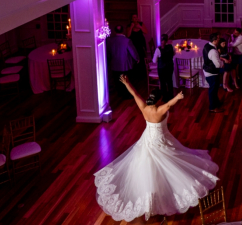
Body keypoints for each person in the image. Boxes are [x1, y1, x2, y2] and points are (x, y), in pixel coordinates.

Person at [94, 76, 219, 222]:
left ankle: (151, 200)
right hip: (161, 141)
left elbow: (135, 94)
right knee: (170, 165)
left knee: (147, 169)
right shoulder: (160, 109)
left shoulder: (144, 107)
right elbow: (170, 105)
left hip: (147, 140)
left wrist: (127, 83)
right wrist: (178, 97)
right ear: (159, 100)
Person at [106, 25, 139, 98]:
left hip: (114, 64)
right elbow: (132, 51)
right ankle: (127, 95)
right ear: (123, 30)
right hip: (125, 65)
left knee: (117, 81)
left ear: (114, 31)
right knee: (126, 81)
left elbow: (108, 52)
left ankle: (120, 94)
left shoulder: (109, 40)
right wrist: (137, 58)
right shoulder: (127, 41)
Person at [202, 33, 223, 113]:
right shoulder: (213, 51)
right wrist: (222, 64)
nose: (219, 39)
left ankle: (216, 102)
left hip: (207, 71)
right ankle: (212, 107)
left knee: (214, 89)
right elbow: (217, 65)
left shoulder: (206, 45)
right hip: (212, 73)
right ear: (214, 41)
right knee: (213, 90)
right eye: (218, 38)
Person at [152, 34, 175, 103]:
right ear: (167, 40)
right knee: (170, 81)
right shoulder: (171, 47)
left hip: (162, 68)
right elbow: (174, 54)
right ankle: (171, 95)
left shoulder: (158, 49)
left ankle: (165, 97)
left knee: (162, 83)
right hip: (170, 67)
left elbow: (154, 61)